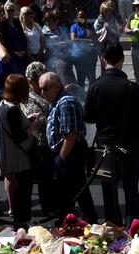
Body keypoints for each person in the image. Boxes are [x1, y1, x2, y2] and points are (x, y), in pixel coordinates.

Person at [84, 42, 139, 225]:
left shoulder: (95, 87)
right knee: (131, 190)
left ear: (104, 61)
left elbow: (88, 117)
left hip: (105, 145)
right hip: (129, 146)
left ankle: (113, 226)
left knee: (108, 192)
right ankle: (133, 227)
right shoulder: (132, 88)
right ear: (122, 59)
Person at [40, 71, 97, 223]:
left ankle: (86, 219)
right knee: (72, 188)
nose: (42, 92)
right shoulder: (56, 101)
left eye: (45, 88)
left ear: (57, 86)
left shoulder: (66, 102)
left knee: (73, 187)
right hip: (65, 151)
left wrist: (61, 158)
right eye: (41, 89)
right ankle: (72, 219)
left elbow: (70, 135)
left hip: (71, 151)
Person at [0, 74, 42, 224]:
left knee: (18, 189)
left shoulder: (3, 104)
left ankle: (19, 220)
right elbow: (19, 136)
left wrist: (27, 120)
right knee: (23, 192)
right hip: (19, 157)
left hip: (10, 154)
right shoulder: (13, 109)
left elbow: (12, 126)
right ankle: (22, 224)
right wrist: (33, 126)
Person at [21, 61, 57, 216]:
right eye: (37, 82)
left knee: (49, 176)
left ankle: (52, 204)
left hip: (48, 141)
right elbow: (36, 122)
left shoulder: (39, 93)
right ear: (30, 81)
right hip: (39, 143)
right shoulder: (28, 97)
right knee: (44, 178)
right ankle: (48, 207)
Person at [42, 10, 74, 85]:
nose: (49, 22)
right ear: (45, 21)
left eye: (51, 20)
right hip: (50, 57)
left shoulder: (59, 29)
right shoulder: (43, 31)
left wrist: (64, 43)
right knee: (54, 77)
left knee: (67, 76)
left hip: (62, 56)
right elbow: (45, 44)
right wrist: (57, 44)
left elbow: (67, 40)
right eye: (47, 20)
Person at [0, 2, 28, 74]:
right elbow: (4, 41)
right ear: (5, 11)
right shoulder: (2, 24)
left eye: (12, 10)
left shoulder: (17, 22)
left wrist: (24, 50)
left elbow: (23, 36)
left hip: (22, 53)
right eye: (8, 10)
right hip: (12, 55)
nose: (10, 12)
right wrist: (14, 53)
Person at [70, 9, 97, 88]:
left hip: (90, 56)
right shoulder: (74, 27)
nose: (82, 18)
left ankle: (92, 96)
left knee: (92, 78)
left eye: (84, 16)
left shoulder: (90, 26)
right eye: (80, 16)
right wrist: (88, 40)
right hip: (79, 56)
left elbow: (94, 38)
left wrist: (87, 27)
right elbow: (73, 39)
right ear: (77, 17)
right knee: (81, 79)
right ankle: (81, 98)